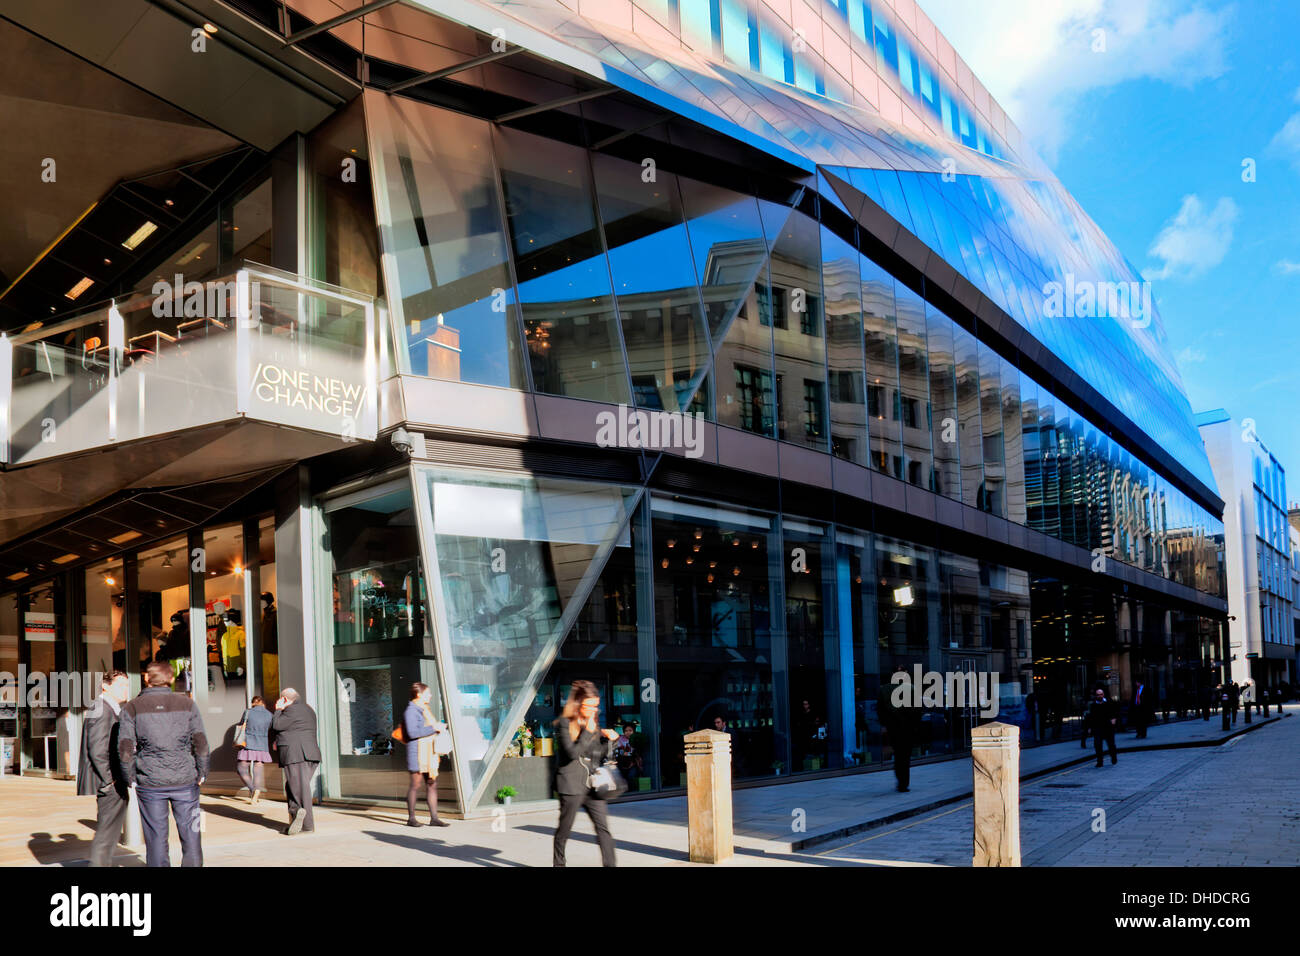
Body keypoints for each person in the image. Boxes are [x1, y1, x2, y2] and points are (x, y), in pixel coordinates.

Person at [117, 661, 209, 867]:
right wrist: (202, 771)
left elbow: (125, 747)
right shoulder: (188, 704)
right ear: (171, 678)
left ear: (147, 679)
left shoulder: (132, 707)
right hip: (185, 778)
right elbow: (201, 742)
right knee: (192, 833)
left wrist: (129, 776)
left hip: (150, 781)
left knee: (155, 836)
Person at [552, 679, 618, 867]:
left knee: (603, 829)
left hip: (593, 786)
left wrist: (611, 741)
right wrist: (588, 732)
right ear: (578, 703)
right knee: (564, 831)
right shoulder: (563, 724)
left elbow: (598, 755)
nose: (593, 710)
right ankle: (559, 864)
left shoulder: (592, 723)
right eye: (589, 706)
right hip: (571, 786)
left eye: (596, 706)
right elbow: (572, 753)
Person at [76, 671, 131, 867]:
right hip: (109, 781)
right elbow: (97, 748)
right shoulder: (102, 708)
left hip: (111, 779)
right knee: (107, 830)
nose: (125, 689)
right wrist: (109, 780)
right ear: (105, 686)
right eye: (120, 685)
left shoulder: (108, 708)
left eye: (126, 685)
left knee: (108, 829)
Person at [270, 688, 321, 835]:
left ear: (285, 699)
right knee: (294, 786)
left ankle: (305, 823)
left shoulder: (290, 709)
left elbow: (277, 725)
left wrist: (278, 710)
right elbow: (294, 729)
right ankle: (295, 818)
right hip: (310, 754)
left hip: (296, 754)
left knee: (300, 789)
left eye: (281, 700)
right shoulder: (308, 709)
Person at [402, 682, 450, 828]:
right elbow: (412, 733)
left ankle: (434, 818)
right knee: (415, 785)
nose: (430, 695)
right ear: (419, 694)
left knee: (432, 784)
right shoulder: (411, 711)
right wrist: (434, 728)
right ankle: (411, 818)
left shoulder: (425, 709)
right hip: (416, 753)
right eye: (428, 693)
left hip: (429, 754)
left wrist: (437, 729)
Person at [879, 666, 920, 792]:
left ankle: (900, 779)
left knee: (898, 753)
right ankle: (903, 783)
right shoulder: (911, 689)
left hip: (893, 728)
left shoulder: (884, 689)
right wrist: (914, 725)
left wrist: (885, 724)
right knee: (905, 755)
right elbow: (917, 710)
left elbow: (880, 710)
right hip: (907, 728)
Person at [234, 696, 273, 805]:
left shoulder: (248, 712)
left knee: (241, 768)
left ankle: (252, 789)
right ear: (263, 704)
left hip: (248, 742)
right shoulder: (269, 715)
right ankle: (257, 790)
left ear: (253, 703)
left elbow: (242, 724)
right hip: (262, 744)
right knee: (258, 770)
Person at [1086, 687, 1118, 768]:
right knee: (1097, 745)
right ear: (1096, 696)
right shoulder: (1093, 705)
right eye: (1097, 695)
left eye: (1101, 694)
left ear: (1103, 695)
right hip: (1097, 727)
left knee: (1111, 744)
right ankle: (1099, 761)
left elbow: (1114, 712)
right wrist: (1089, 727)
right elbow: (1091, 717)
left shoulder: (1109, 703)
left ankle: (1113, 757)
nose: (1099, 696)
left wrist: (1114, 719)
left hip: (1108, 727)